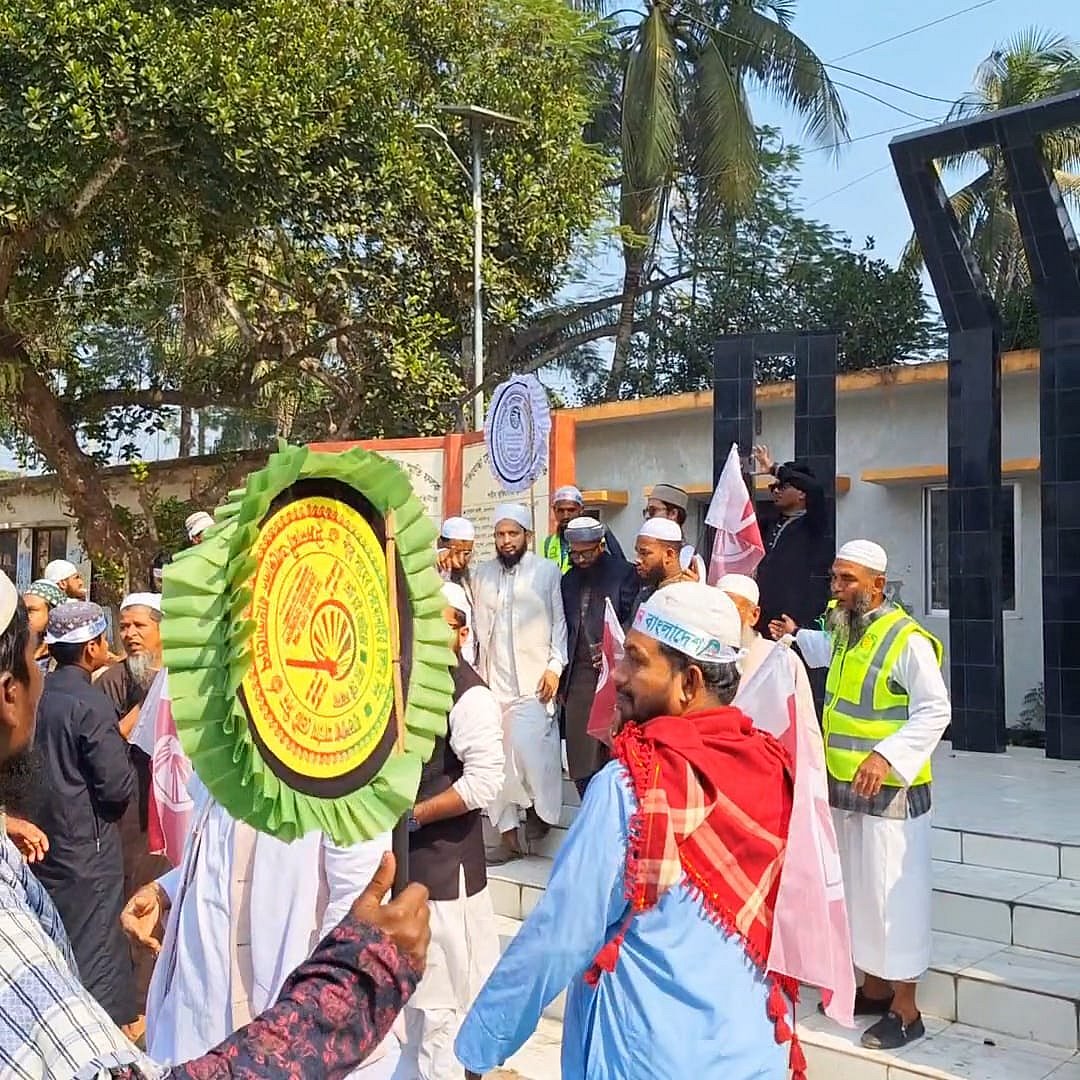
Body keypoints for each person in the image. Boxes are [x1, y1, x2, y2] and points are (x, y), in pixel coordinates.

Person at [0, 569, 432, 1078]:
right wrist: (350, 992)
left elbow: (347, 905)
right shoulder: (226, 748)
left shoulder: (345, 775)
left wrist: (165, 889)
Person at [455, 583, 799, 1080]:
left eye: (636, 661)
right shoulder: (771, 764)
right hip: (755, 1051)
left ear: (689, 682)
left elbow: (562, 933)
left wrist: (482, 1044)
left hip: (650, 1057)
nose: (616, 674)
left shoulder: (635, 784)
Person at [770, 540, 950, 1050]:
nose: (837, 587)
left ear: (877, 585)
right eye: (834, 578)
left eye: (847, 580)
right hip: (844, 787)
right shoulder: (847, 629)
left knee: (895, 899)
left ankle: (906, 1008)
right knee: (857, 894)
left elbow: (935, 710)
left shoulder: (905, 639)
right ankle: (871, 988)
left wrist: (887, 756)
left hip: (892, 792)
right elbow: (831, 653)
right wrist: (795, 637)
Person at [128, 779, 405, 1075]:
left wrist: (296, 1051)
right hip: (186, 1029)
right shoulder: (226, 737)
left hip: (274, 1053)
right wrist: (167, 892)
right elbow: (219, 843)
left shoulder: (346, 762)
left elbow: (352, 914)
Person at [393, 582, 504, 1079]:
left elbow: (484, 782)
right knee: (410, 1008)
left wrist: (413, 815)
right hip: (406, 864)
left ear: (460, 630)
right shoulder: (408, 687)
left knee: (440, 1008)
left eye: (438, 622)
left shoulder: (470, 694)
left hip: (444, 873)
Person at [32, 600, 138, 1033]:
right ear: (93, 646)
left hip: (42, 843)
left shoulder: (36, 694)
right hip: (87, 849)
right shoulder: (90, 703)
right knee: (95, 951)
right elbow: (115, 786)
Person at [471, 503, 566, 861]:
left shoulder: (546, 572)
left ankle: (541, 813)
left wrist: (555, 666)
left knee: (529, 750)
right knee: (494, 760)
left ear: (527, 536)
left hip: (533, 683)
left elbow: (559, 624)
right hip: (491, 684)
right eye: (500, 534)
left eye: (513, 534)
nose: (506, 541)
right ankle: (508, 835)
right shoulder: (482, 575)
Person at [98, 592, 170, 1015]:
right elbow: (110, 742)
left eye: (140, 626)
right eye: (124, 626)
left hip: (170, 804)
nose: (130, 635)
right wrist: (147, 705)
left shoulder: (181, 677)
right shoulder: (113, 681)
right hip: (130, 814)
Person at [559, 517, 638, 797]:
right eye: (574, 553)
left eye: (586, 552)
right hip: (580, 678)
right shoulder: (567, 580)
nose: (580, 559)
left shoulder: (624, 574)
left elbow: (632, 620)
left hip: (617, 677)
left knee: (614, 753)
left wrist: (613, 650)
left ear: (601, 546)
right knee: (581, 759)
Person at [751, 446, 829, 634]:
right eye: (773, 487)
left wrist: (774, 469)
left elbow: (815, 489)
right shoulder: (769, 523)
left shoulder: (812, 523)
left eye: (783, 486)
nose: (776, 491)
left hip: (793, 621)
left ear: (802, 493)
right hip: (761, 617)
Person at [542, 486, 624, 573]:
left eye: (571, 510)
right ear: (554, 510)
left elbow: (620, 568)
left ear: (581, 510)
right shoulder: (548, 543)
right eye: (561, 510)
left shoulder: (599, 535)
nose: (565, 515)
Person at [630, 517, 691, 618]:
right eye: (637, 552)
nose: (637, 560)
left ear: (669, 555)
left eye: (644, 553)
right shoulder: (644, 595)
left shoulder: (688, 598)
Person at [436, 516, 477, 664]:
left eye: (466, 554)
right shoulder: (430, 572)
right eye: (455, 551)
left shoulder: (470, 578)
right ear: (441, 544)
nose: (460, 560)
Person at [643, 483, 699, 572]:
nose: (647, 517)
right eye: (646, 511)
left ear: (673, 514)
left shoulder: (689, 557)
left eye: (652, 511)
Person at [22, 579, 63, 671]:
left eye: (31, 610)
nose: (24, 616)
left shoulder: (62, 661)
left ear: (52, 613)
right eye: (22, 610)